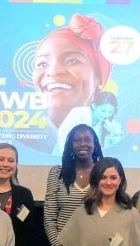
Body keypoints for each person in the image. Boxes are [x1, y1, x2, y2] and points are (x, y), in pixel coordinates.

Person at [44, 123, 104, 246]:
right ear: (69, 145)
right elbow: (49, 217)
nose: (82, 144)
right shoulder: (57, 173)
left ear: (95, 144)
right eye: (77, 140)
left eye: (87, 139)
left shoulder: (104, 174)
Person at [32, 13, 110, 154]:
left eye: (72, 61)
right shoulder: (24, 137)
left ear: (98, 77)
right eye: (42, 63)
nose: (53, 72)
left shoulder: (109, 134)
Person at [0, 142, 42, 246]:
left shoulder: (24, 195)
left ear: (16, 164)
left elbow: (29, 231)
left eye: (11, 160)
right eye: (1, 159)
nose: (5, 164)